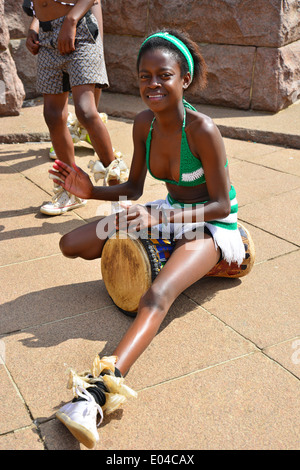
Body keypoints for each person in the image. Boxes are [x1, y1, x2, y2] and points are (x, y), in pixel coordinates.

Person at [50, 30, 246, 448]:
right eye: (144, 76)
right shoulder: (144, 124)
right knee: (74, 244)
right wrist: (91, 192)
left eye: (164, 75)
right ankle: (167, 249)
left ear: (184, 79)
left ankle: (98, 393)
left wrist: (163, 216)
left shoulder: (203, 129)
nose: (152, 84)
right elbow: (135, 189)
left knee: (156, 296)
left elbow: (219, 205)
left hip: (210, 225)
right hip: (165, 210)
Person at [23, 0, 128, 216]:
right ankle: (71, 189)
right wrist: (34, 27)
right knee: (52, 115)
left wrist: (71, 21)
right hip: (46, 36)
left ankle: (119, 191)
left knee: (86, 111)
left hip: (78, 31)